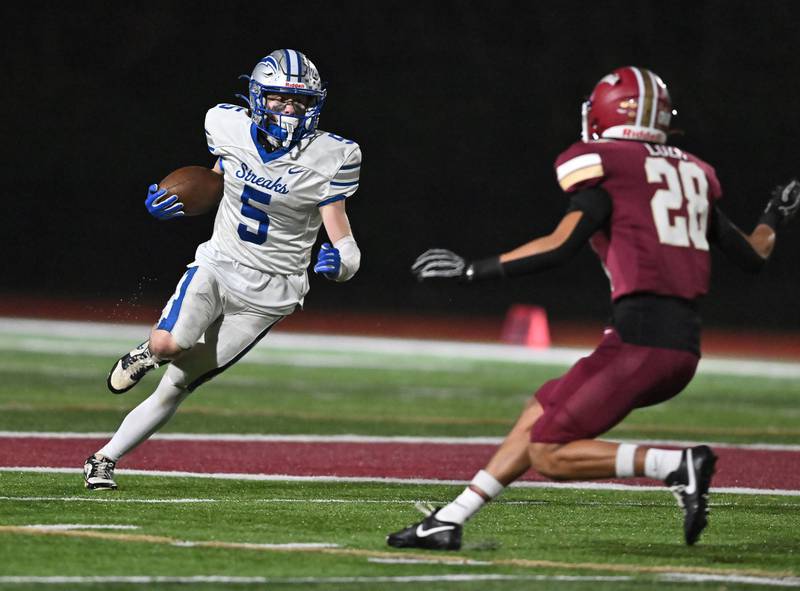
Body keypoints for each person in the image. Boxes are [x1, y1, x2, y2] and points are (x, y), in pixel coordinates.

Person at [387, 66, 799, 549]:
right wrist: (775, 214)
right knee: (540, 412)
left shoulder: (608, 166)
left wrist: (472, 270)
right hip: (677, 343)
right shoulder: (690, 174)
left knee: (549, 452)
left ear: (606, 112)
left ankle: (674, 465)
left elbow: (558, 245)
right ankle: (449, 520)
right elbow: (753, 254)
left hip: (640, 342)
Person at [84, 49, 362, 490]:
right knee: (168, 343)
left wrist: (342, 264)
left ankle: (104, 458)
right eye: (279, 98)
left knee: (178, 384)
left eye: (300, 101)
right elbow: (214, 181)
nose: (290, 109)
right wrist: (175, 203)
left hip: (272, 292)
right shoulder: (225, 124)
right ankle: (148, 352)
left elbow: (341, 234)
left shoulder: (333, 155)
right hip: (219, 263)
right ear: (257, 97)